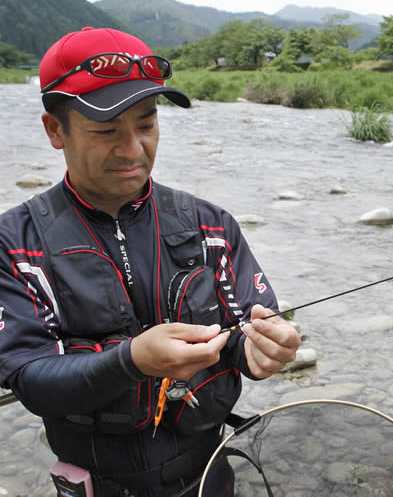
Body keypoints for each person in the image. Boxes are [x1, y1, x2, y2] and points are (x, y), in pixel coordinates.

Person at [0, 27, 301, 496]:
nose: (133, 149)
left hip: (210, 474)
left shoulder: (211, 224)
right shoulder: (14, 243)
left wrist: (267, 348)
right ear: (55, 130)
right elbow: (28, 376)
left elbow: (249, 330)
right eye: (106, 131)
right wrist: (132, 361)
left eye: (146, 125)